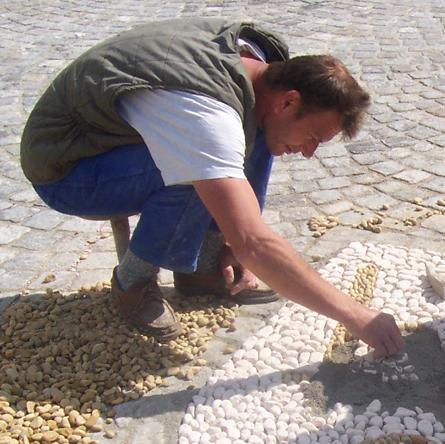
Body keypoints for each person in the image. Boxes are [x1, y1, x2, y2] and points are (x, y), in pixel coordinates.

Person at [20, 18, 404, 357]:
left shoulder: (263, 66)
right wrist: (354, 314)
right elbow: (253, 241)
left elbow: (246, 143)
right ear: (290, 101)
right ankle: (132, 281)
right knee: (198, 171)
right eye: (313, 138)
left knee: (258, 136)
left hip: (119, 136)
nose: (307, 154)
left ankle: (200, 268)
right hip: (67, 163)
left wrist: (223, 240)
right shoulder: (205, 116)